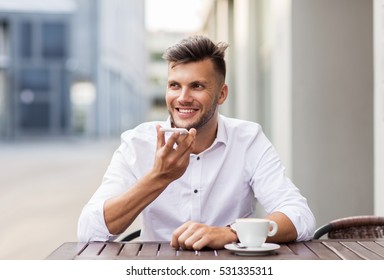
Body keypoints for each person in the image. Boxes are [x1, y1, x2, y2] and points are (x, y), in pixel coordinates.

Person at [78, 35, 315, 250]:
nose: (183, 98)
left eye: (197, 86)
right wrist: (158, 178)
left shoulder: (248, 139)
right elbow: (89, 233)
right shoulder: (137, 143)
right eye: (174, 86)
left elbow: (300, 217)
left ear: (222, 94)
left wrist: (230, 234)